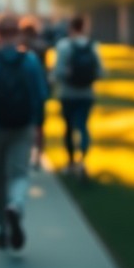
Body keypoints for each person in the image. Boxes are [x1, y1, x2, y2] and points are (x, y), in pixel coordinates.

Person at [0, 15, 49, 252]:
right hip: (22, 126)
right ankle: (16, 205)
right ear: (17, 34)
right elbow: (40, 96)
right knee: (20, 174)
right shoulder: (30, 61)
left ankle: (2, 229)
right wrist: (39, 127)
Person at [51, 15, 104, 178]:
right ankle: (83, 161)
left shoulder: (63, 46)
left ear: (70, 27)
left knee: (68, 128)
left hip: (67, 93)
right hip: (87, 93)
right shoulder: (93, 46)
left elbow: (58, 72)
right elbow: (101, 72)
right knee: (83, 126)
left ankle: (71, 162)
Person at [19, 17, 51, 170]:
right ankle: (38, 156)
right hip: (39, 89)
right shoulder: (42, 46)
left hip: (23, 90)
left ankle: (26, 155)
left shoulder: (22, 48)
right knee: (39, 126)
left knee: (25, 125)